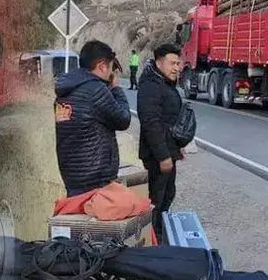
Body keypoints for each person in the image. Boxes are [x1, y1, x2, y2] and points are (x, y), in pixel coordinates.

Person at [54, 39, 132, 197]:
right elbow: (124, 119)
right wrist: (116, 88)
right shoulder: (95, 90)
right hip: (96, 180)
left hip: (72, 178)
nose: (111, 73)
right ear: (102, 66)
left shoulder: (63, 93)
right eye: (110, 68)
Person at [137, 43, 184, 244]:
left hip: (168, 151)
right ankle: (153, 241)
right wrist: (163, 156)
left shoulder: (164, 83)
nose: (177, 68)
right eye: (172, 63)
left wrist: (178, 146)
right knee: (156, 199)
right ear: (158, 63)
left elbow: (169, 120)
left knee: (167, 195)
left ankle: (160, 236)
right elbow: (151, 123)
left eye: (178, 64)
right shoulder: (150, 86)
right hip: (157, 155)